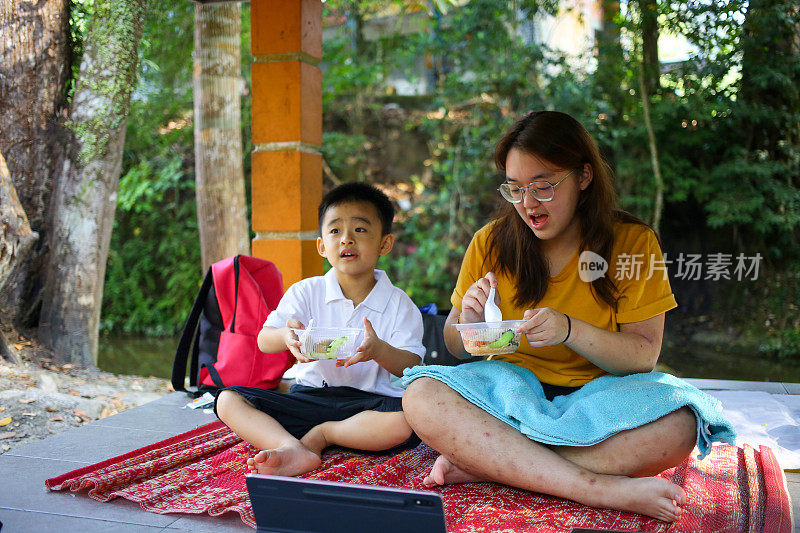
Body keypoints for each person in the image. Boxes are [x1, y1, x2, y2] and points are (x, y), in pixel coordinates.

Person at [401, 110, 734, 523]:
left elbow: (642, 356)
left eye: (543, 187)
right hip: (509, 394)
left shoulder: (632, 242)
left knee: (681, 425)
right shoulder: (490, 243)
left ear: (584, 176)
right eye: (516, 188)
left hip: (602, 396)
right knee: (421, 395)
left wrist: (569, 329)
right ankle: (597, 489)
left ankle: (490, 462)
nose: (528, 204)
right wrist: (467, 322)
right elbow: (456, 344)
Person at [215, 182, 425, 477]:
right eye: (335, 231)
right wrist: (286, 336)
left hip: (369, 407)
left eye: (360, 230)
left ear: (385, 244)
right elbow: (264, 340)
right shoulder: (306, 291)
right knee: (227, 400)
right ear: (322, 245)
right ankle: (290, 447)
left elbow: (411, 366)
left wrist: (378, 350)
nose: (346, 240)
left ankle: (323, 435)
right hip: (309, 397)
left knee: (410, 419)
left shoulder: (400, 304)